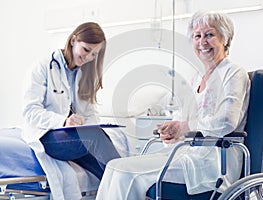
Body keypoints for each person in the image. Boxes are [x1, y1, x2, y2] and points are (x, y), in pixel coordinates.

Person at [95, 11, 250, 199]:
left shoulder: (233, 73)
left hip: (214, 162)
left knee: (126, 173)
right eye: (197, 36)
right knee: (114, 166)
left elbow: (226, 121)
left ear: (225, 39)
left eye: (210, 35)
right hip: (187, 153)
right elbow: (183, 119)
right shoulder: (196, 78)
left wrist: (185, 128)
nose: (202, 42)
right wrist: (173, 129)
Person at [22, 22, 121, 199]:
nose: (89, 57)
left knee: (109, 173)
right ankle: (138, 188)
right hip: (47, 136)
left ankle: (127, 189)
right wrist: (63, 121)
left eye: (94, 54)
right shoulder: (43, 67)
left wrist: (86, 124)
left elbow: (90, 114)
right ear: (74, 40)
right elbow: (30, 112)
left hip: (74, 139)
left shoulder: (85, 74)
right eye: (86, 49)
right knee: (96, 138)